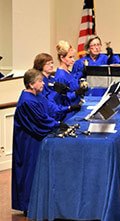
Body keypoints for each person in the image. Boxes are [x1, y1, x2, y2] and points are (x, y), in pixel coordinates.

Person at [12, 69, 65, 213]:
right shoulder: (27, 101)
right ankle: (28, 206)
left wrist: (63, 112)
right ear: (31, 84)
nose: (43, 84)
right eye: (40, 81)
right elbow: (40, 121)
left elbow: (48, 109)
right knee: (29, 172)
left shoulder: (37, 95)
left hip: (35, 140)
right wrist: (56, 124)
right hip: (28, 143)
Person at [32, 53, 79, 121]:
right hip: (50, 116)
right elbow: (47, 103)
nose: (51, 66)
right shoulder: (40, 82)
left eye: (52, 63)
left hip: (59, 113)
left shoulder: (52, 79)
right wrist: (67, 108)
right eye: (48, 64)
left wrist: (72, 94)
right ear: (40, 65)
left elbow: (61, 97)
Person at [54, 40, 86, 120]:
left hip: (76, 110)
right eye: (70, 57)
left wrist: (81, 73)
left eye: (73, 57)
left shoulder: (67, 71)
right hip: (69, 114)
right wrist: (75, 93)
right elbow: (61, 100)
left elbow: (72, 80)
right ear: (62, 58)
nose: (73, 60)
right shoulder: (60, 76)